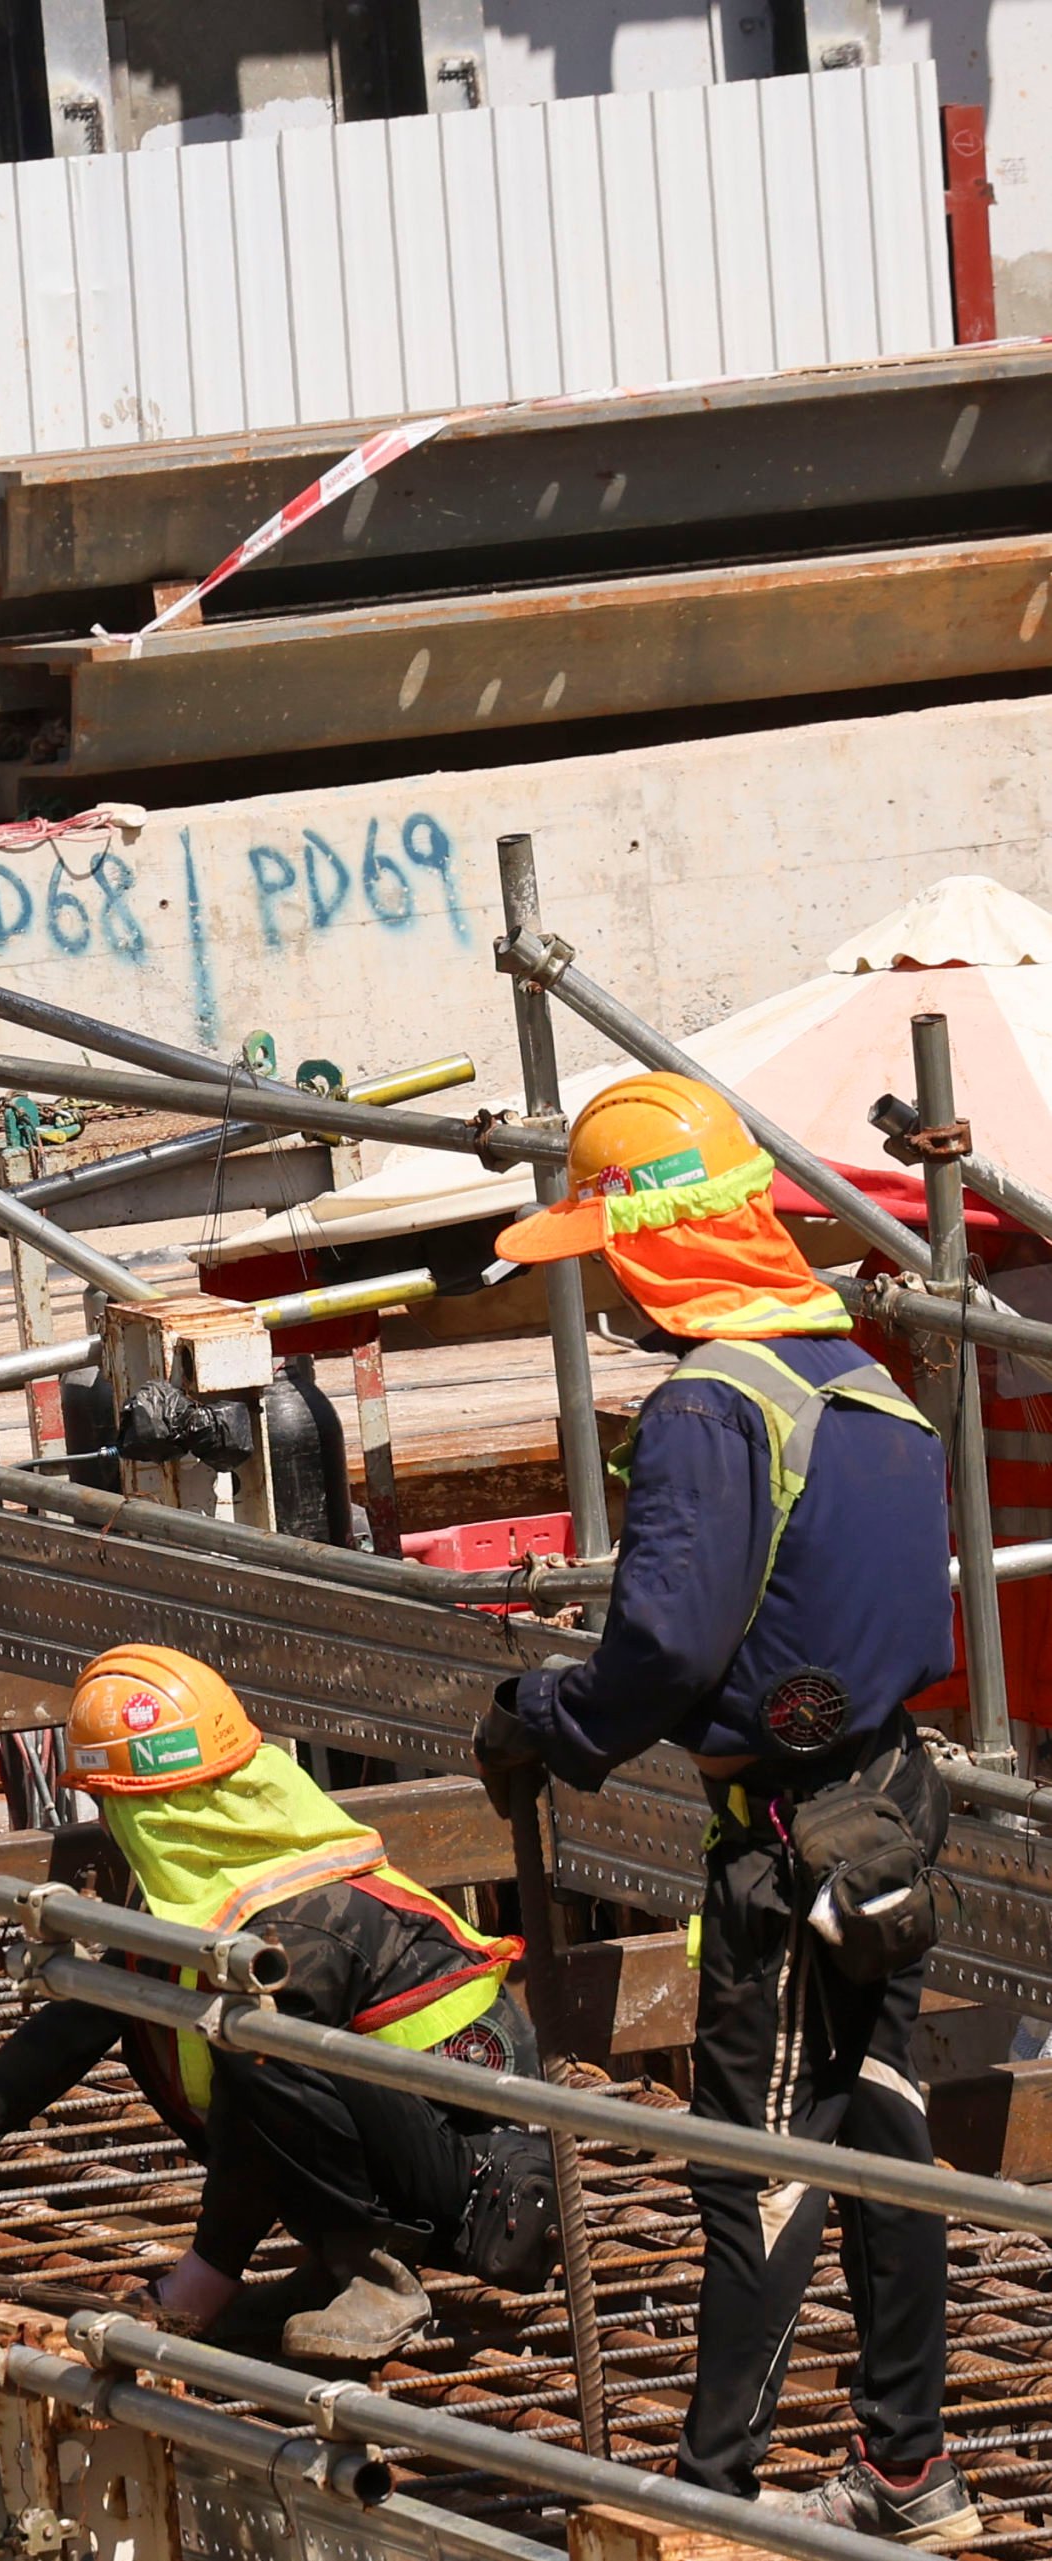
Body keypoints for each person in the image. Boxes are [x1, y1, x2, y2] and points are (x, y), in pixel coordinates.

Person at [472, 1071, 973, 2544]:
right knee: (879, 2132)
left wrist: (540, 1721)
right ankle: (906, 2470)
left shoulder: (707, 1404)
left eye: (608, 1255)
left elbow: (666, 1647)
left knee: (751, 2160)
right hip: (883, 1803)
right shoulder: (858, 1374)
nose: (609, 1291)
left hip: (772, 1840)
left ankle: (709, 2496)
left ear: (655, 1243)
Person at [0, 1646, 546, 2363]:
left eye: (111, 1802)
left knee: (255, 2047)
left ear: (150, 1808)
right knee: (217, 2030)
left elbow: (259, 2111)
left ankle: (374, 2275)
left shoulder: (294, 1922)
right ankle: (334, 2262)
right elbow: (94, 2003)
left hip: (495, 2193)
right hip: (423, 2152)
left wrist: (204, 2275)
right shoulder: (226, 1880)